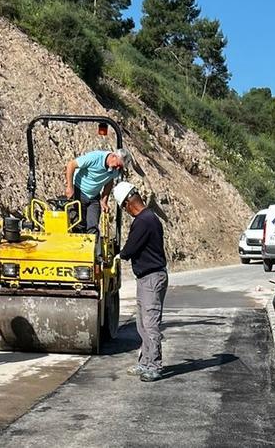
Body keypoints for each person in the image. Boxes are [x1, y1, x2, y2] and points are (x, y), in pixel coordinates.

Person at [112, 181, 167, 382]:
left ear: (127, 203)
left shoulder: (144, 221)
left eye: (123, 207)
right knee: (142, 324)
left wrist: (118, 256)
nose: (125, 211)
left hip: (152, 278)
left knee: (150, 323)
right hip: (147, 278)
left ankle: (154, 366)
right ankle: (144, 363)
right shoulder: (149, 218)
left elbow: (130, 249)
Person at [64, 148, 133, 233]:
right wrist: (69, 187)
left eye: (120, 167)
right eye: (118, 164)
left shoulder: (116, 169)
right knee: (79, 225)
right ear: (113, 156)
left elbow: (109, 181)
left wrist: (104, 200)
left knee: (93, 228)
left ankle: (93, 245)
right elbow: (71, 165)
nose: (118, 168)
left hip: (94, 198)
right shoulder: (95, 157)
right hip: (79, 192)